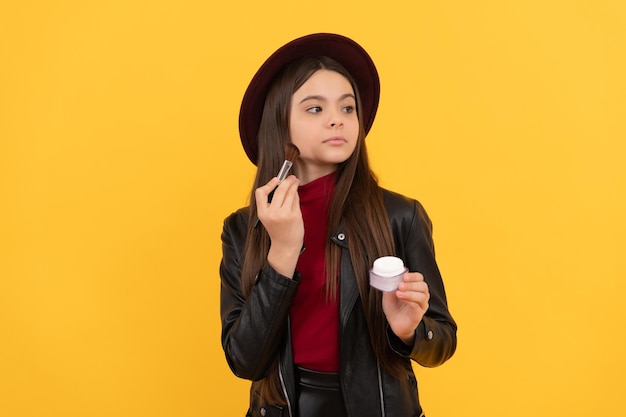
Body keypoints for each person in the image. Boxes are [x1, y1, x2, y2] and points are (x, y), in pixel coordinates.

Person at [220, 33, 457, 417]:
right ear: (279, 122)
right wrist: (282, 250)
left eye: (348, 109)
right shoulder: (242, 229)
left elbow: (443, 341)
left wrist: (409, 331)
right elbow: (245, 361)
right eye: (315, 109)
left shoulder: (400, 215)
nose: (337, 119)